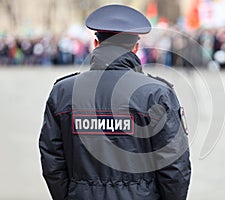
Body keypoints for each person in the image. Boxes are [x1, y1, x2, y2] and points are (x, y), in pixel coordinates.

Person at [39, 4, 191, 200]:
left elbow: (52, 161)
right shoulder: (157, 93)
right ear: (136, 48)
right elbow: (175, 167)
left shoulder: (63, 92)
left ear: (96, 44)